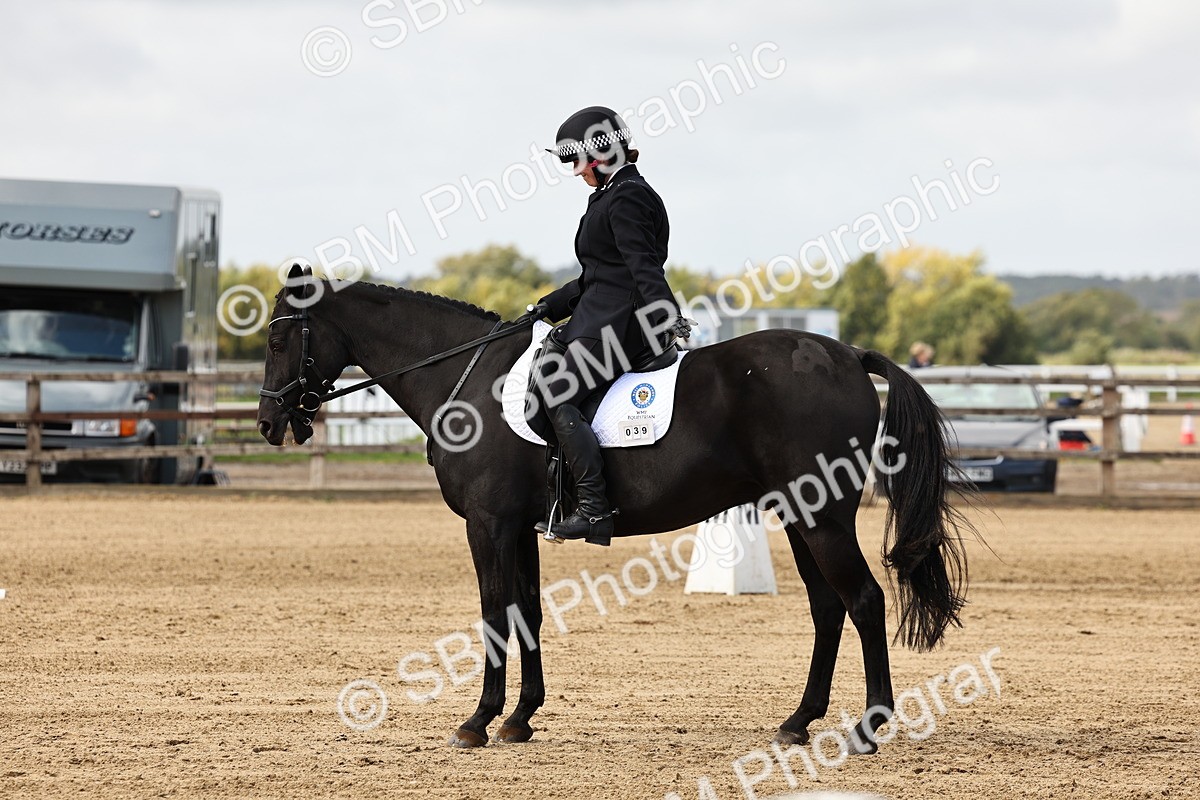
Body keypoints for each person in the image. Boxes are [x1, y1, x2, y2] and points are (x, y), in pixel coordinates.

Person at [519, 105, 690, 545]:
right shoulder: (610, 195)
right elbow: (596, 275)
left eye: (577, 162)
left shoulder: (629, 197)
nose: (576, 173)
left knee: (559, 395)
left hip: (621, 325)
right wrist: (547, 306)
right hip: (598, 317)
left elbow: (642, 268)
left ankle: (594, 509)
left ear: (602, 155)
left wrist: (666, 315)